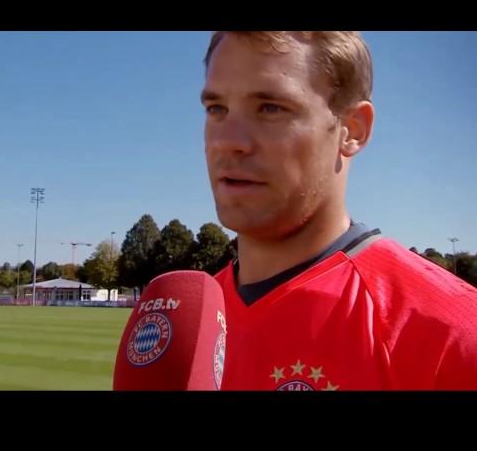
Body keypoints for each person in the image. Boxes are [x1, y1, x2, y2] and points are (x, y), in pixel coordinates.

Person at [201, 31, 477, 390]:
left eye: (271, 108)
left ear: (353, 130)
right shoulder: (189, 321)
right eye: (216, 109)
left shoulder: (451, 336)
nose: (227, 140)